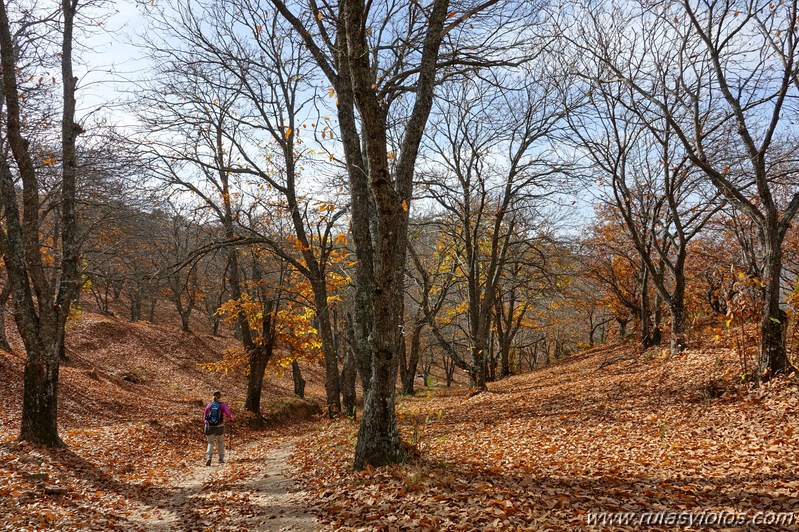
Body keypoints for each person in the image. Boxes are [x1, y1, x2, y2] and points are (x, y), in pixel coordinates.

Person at [203, 390, 233, 466]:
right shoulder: (222, 405)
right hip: (219, 426)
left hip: (209, 426)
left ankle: (209, 457)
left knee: (210, 442)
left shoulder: (209, 405)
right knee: (220, 441)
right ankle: (221, 458)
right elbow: (228, 413)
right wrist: (231, 418)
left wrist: (206, 424)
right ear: (220, 397)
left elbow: (204, 417)